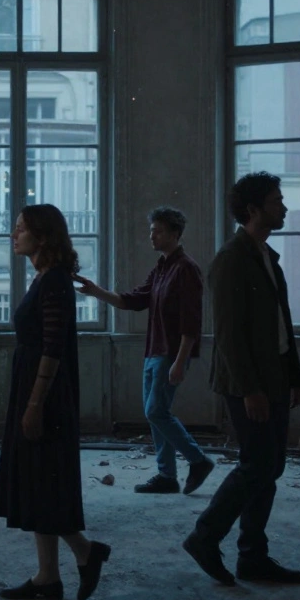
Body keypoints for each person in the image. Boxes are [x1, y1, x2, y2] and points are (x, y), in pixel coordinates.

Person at [181, 172, 300, 586]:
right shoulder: (232, 258)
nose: (284, 207)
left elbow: (281, 325)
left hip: (274, 377)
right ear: (253, 210)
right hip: (247, 383)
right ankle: (205, 536)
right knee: (258, 465)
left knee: (270, 467)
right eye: (276, 200)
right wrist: (251, 389)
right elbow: (229, 335)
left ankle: (252, 556)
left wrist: (294, 376)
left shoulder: (267, 256)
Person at [0, 204, 111, 600]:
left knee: (44, 481)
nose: (14, 234)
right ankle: (51, 574)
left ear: (42, 237)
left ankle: (80, 554)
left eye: (21, 229)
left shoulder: (55, 281)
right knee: (37, 481)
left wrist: (34, 403)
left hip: (45, 393)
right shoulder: (45, 277)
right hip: (34, 387)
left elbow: (54, 347)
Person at [75, 206, 212, 495]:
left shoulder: (186, 269)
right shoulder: (163, 267)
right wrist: (96, 291)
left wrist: (180, 361)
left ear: (175, 234)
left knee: (156, 411)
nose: (152, 235)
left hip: (170, 353)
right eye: (151, 230)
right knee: (155, 414)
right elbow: (133, 300)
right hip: (154, 351)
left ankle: (198, 460)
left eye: (158, 231)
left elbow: (192, 322)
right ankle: (166, 476)